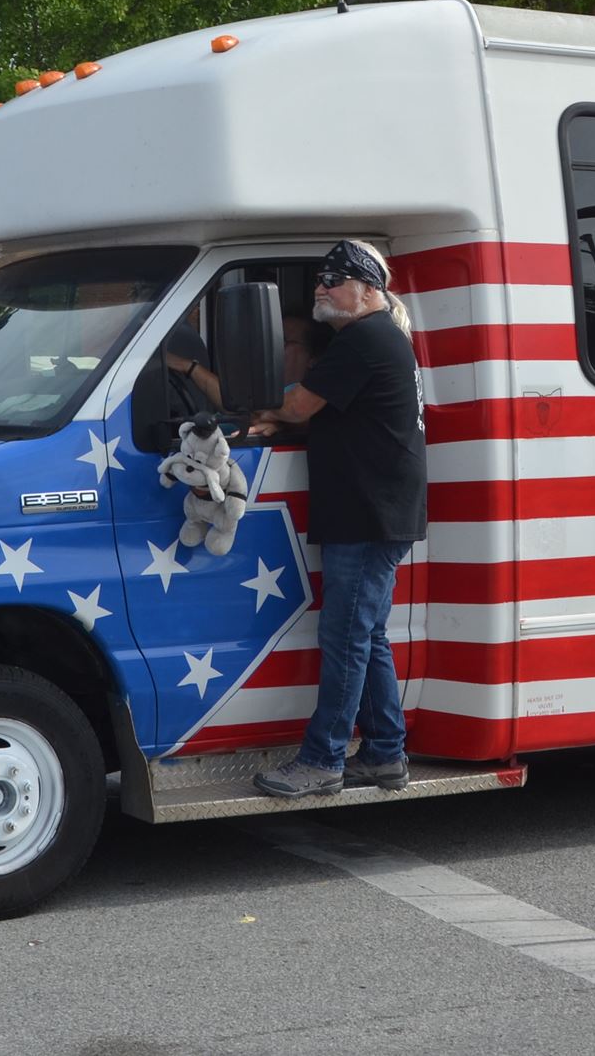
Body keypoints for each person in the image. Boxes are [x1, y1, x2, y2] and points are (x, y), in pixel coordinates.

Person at [242, 239, 426, 797]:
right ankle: (385, 754)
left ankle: (323, 760)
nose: (321, 286)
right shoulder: (370, 338)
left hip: (367, 514)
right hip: (371, 510)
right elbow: (321, 414)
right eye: (321, 277)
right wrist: (285, 417)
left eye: (336, 278)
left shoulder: (366, 337)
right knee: (366, 635)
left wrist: (266, 410)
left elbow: (300, 406)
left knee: (346, 637)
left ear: (368, 290)